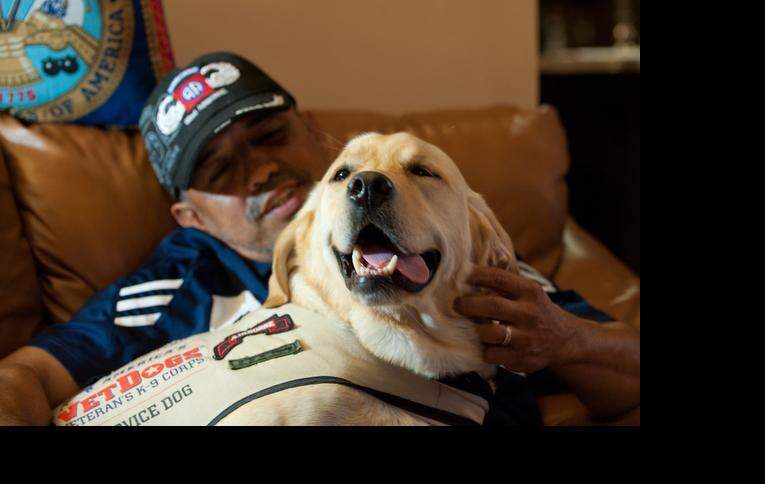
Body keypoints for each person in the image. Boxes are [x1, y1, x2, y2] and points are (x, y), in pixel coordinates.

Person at [0, 52, 639, 426]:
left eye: (271, 136)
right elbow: (27, 375)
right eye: (220, 171)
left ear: (311, 132)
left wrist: (563, 337)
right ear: (190, 217)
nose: (261, 170)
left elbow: (623, 376)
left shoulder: (453, 243)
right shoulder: (172, 290)